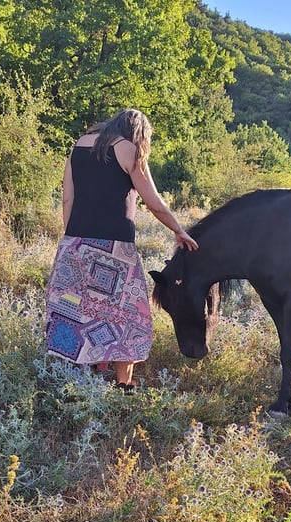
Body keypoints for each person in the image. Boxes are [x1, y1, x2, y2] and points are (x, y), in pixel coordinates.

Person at [45, 108, 198, 389]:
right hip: (116, 252)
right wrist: (178, 230)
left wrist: (76, 240)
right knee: (129, 318)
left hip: (75, 245)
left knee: (77, 312)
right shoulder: (128, 149)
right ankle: (123, 386)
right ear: (139, 133)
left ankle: (75, 383)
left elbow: (67, 199)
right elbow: (153, 201)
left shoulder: (79, 144)